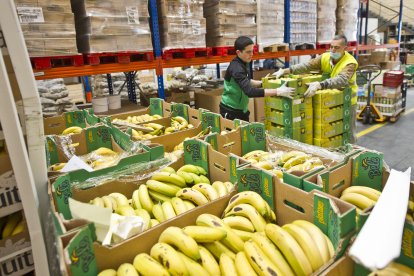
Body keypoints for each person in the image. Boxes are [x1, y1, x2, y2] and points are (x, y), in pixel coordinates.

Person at [273, 34, 359, 143]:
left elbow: (341, 80)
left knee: (348, 132)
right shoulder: (325, 57)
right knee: (332, 132)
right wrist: (287, 70)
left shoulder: (350, 63)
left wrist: (320, 85)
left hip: (347, 101)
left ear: (345, 48)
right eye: (331, 46)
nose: (333, 50)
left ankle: (352, 155)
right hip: (331, 99)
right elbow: (308, 65)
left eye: (337, 48)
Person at [220, 36, 295, 121]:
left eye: (252, 51)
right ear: (238, 52)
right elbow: (249, 91)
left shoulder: (246, 62)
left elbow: (247, 80)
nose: (251, 54)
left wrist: (263, 83)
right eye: (248, 52)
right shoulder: (236, 68)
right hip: (230, 111)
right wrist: (278, 91)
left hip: (242, 109)